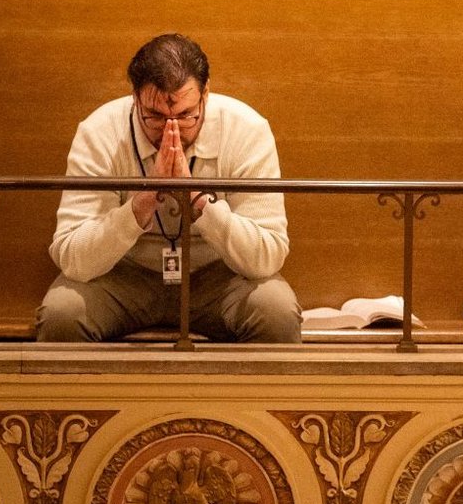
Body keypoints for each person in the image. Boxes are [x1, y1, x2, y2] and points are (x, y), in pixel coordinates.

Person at [36, 33, 302, 343]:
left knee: (276, 310)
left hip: (218, 275)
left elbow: (266, 257)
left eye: (186, 115)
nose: (170, 130)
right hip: (123, 274)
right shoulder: (99, 132)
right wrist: (142, 203)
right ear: (135, 99)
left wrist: (197, 197)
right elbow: (72, 258)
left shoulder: (247, 130)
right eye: (155, 117)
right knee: (62, 312)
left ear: (205, 95)